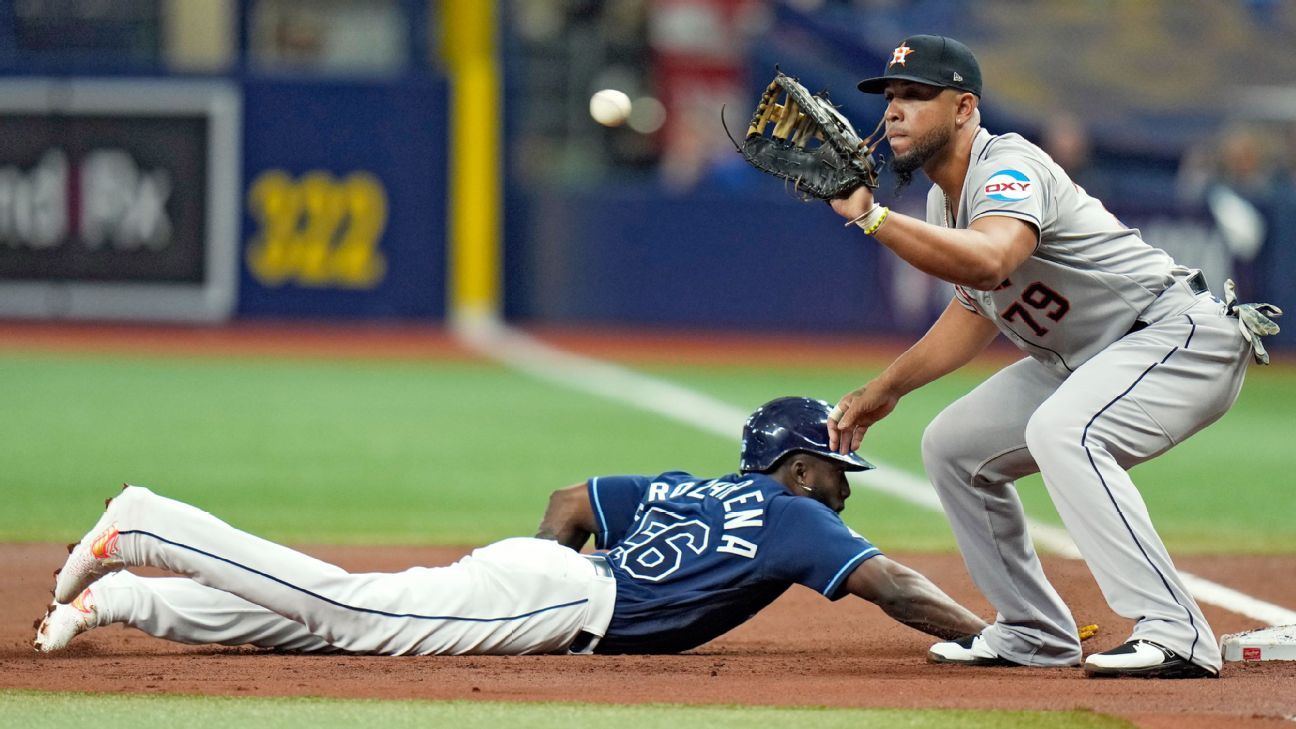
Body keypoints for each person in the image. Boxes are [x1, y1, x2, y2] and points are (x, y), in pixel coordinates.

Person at [823, 35, 1279, 679]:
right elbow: (974, 307)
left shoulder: (1010, 167)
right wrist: (888, 387)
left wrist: (871, 219)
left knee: (1066, 430)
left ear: (965, 109)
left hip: (1173, 335)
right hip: (1094, 358)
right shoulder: (940, 200)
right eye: (891, 96)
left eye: (918, 95)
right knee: (953, 446)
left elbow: (991, 259)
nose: (895, 109)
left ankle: (1177, 633)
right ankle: (1034, 632)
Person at [34, 396, 987, 657]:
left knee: (326, 621)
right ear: (792, 465)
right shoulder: (791, 516)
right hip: (564, 597)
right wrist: (994, 638)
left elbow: (572, 500)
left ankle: (126, 598)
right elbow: (893, 585)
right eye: (834, 467)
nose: (843, 486)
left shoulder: (694, 483)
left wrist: (535, 570)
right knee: (351, 610)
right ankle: (149, 524)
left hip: (545, 573)